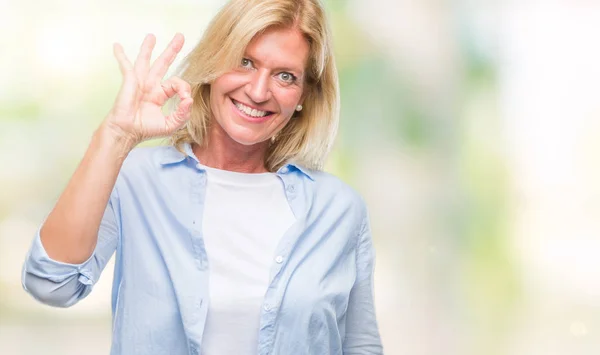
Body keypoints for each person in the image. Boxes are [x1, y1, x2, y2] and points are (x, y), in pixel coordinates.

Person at [21, 0, 383, 354]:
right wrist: (116, 135)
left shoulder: (339, 209)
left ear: (305, 95)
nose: (258, 92)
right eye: (245, 62)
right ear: (213, 62)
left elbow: (360, 345)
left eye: (285, 76)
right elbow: (51, 284)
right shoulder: (137, 180)